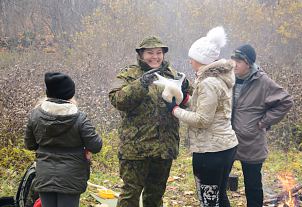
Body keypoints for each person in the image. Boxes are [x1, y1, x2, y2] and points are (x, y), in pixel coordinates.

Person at [109, 36, 190, 207]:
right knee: (130, 194)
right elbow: (118, 100)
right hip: (135, 148)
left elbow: (189, 101)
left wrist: (185, 88)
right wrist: (141, 84)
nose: (155, 57)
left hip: (164, 147)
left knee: (155, 195)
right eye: (150, 53)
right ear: (141, 54)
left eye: (158, 53)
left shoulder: (172, 74)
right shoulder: (129, 74)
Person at [165, 26, 238, 206]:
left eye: (192, 58)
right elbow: (211, 107)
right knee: (219, 196)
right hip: (224, 146)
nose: (190, 61)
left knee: (208, 200)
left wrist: (174, 110)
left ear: (201, 59)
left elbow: (202, 120)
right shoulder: (219, 77)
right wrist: (186, 99)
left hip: (211, 151)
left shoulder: (208, 83)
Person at [24, 72, 103, 207]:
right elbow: (96, 145)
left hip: (45, 175)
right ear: (70, 94)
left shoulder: (35, 115)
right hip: (71, 177)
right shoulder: (80, 118)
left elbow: (30, 144)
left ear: (48, 93)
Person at [230, 44, 293, 207]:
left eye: (239, 61)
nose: (234, 64)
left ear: (249, 63)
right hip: (227, 140)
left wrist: (264, 122)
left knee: (253, 186)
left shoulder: (262, 81)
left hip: (252, 142)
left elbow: (286, 101)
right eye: (233, 60)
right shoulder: (229, 78)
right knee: (221, 182)